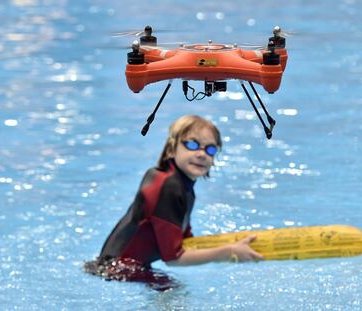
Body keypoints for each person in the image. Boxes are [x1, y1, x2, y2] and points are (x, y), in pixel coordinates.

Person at [84, 115, 262, 287]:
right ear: (171, 149)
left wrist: (233, 243)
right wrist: (228, 252)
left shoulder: (182, 187)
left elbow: (185, 241)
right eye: (192, 144)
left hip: (124, 267)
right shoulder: (168, 188)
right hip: (116, 271)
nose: (202, 154)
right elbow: (174, 258)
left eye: (210, 149)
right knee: (173, 290)